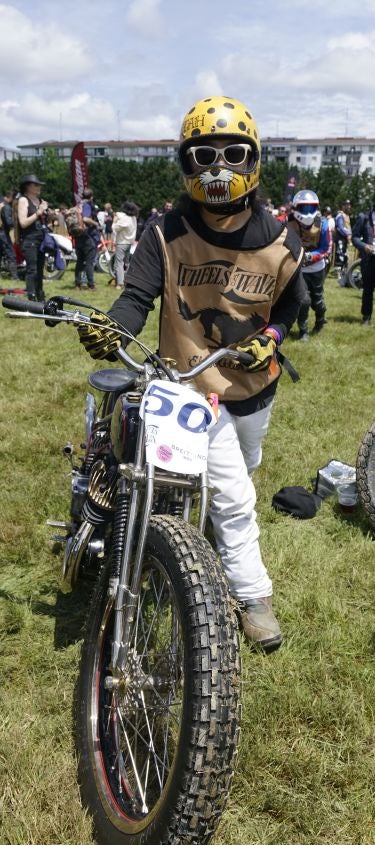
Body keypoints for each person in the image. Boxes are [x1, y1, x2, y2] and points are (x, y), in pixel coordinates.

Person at [77, 94, 306, 653]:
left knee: (241, 471)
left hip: (254, 384)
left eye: (231, 154)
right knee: (232, 491)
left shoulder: (281, 239)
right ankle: (252, 595)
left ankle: (207, 539)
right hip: (188, 380)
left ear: (252, 160)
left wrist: (271, 339)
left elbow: (291, 306)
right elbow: (137, 296)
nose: (218, 169)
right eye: (204, 155)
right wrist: (114, 327)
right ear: (186, 163)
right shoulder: (165, 231)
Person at [288, 190, 331, 341]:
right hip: (298, 269)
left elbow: (325, 248)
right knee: (304, 300)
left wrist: (310, 256)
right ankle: (303, 331)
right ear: (295, 208)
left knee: (317, 301)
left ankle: (320, 319)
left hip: (316, 268)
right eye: (304, 208)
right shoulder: (287, 222)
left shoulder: (323, 224)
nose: (307, 213)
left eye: (311, 208)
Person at [17, 174, 50, 300]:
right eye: (36, 185)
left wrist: (49, 214)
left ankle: (40, 294)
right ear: (28, 186)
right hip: (29, 239)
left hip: (41, 239)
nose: (39, 187)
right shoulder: (23, 200)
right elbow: (23, 222)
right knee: (32, 269)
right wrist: (39, 212)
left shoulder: (40, 201)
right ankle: (31, 296)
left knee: (40, 269)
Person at [351, 198, 375, 325]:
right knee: (368, 289)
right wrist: (364, 246)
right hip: (369, 259)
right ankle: (366, 317)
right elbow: (354, 237)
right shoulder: (364, 217)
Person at [74, 188, 100, 290]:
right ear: (91, 197)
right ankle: (91, 285)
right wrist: (96, 223)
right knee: (89, 262)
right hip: (88, 237)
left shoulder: (78, 205)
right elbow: (85, 218)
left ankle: (77, 284)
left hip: (78, 237)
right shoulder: (87, 205)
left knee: (79, 261)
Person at [111, 201, 138, 289]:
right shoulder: (133, 217)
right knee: (127, 263)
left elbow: (115, 228)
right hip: (129, 242)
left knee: (119, 263)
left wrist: (114, 221)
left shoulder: (125, 219)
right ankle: (129, 280)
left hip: (122, 242)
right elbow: (121, 215)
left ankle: (120, 283)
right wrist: (117, 214)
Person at [0, 189, 19, 279]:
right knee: (11, 254)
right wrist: (16, 222)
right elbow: (8, 222)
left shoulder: (1, 204)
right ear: (11, 197)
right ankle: (14, 276)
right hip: (3, 233)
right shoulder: (6, 206)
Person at [334, 200, 352, 271]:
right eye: (347, 205)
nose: (349, 206)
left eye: (349, 205)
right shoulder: (340, 215)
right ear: (343, 206)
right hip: (340, 238)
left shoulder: (346, 216)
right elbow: (340, 227)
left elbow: (348, 226)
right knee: (340, 253)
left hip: (345, 238)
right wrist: (348, 234)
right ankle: (338, 270)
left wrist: (350, 234)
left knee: (344, 253)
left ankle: (343, 269)